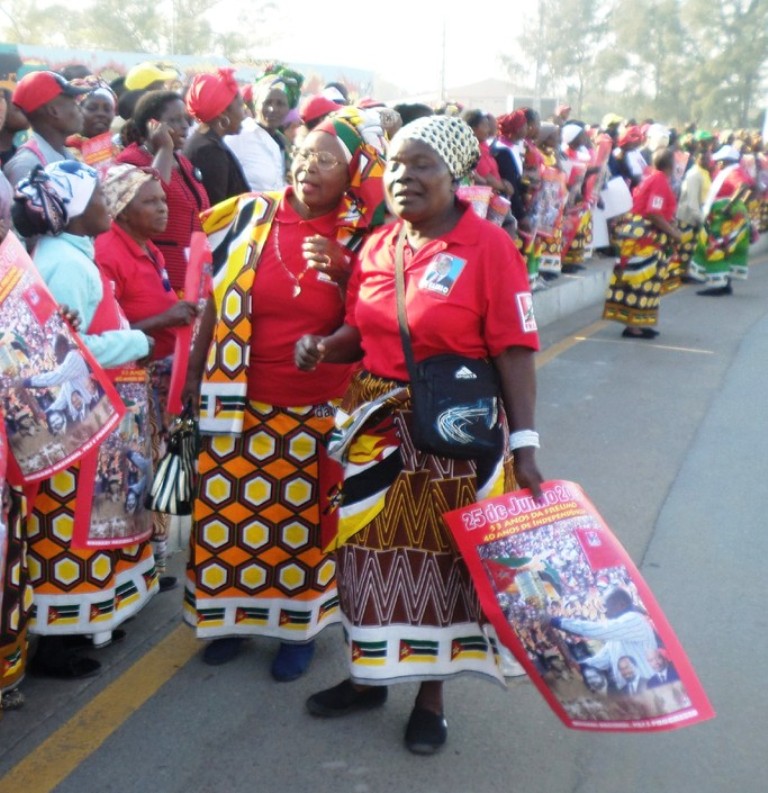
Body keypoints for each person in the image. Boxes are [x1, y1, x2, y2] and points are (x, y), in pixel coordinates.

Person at [295, 115, 542, 755]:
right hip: (374, 433)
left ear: (455, 175)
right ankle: (367, 677)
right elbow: (360, 330)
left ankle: (431, 700)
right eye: (396, 166)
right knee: (363, 561)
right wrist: (323, 346)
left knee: (440, 568)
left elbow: (514, 349)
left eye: (421, 164)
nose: (404, 177)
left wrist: (525, 445)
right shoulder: (380, 244)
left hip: (451, 437)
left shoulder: (490, 247)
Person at [181, 107, 387, 677]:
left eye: (327, 160)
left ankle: (297, 629)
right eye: (304, 154)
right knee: (231, 517)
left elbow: (378, 317)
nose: (309, 167)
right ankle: (231, 619)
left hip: (320, 407)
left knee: (301, 526)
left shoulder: (363, 236)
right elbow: (215, 302)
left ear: (352, 173)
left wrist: (346, 272)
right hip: (237, 400)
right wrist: (194, 376)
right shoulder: (249, 214)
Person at [12, 161, 157, 679]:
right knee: (72, 530)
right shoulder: (67, 265)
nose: (107, 204)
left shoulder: (72, 254)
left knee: (91, 526)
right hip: (81, 420)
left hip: (96, 415)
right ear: (74, 211)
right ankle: (57, 644)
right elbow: (67, 349)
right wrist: (137, 340)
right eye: (97, 196)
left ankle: (84, 626)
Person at [95, 163, 199, 578]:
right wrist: (166, 319)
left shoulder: (148, 246)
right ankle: (142, 566)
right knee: (138, 475)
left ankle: (152, 562)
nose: (163, 208)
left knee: (154, 470)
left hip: (160, 377)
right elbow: (105, 332)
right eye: (151, 202)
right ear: (122, 209)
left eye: (162, 200)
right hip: (130, 381)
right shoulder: (108, 252)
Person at [116, 90, 211, 291]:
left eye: (185, 119)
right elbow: (154, 193)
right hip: (159, 273)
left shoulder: (182, 161)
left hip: (193, 271)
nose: (185, 125)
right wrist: (164, 148)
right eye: (175, 120)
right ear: (154, 125)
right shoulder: (131, 162)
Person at [603, 148, 682, 338]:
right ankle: (633, 326)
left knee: (647, 281)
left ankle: (640, 321)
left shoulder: (654, 178)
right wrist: (674, 233)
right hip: (645, 238)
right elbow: (653, 212)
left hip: (644, 235)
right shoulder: (659, 181)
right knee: (641, 280)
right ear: (670, 164)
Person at [546, 587, 658, 685]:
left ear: (621, 604)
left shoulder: (633, 619)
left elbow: (599, 630)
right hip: (635, 689)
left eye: (608, 606)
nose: (605, 612)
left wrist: (558, 622)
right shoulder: (619, 631)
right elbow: (604, 659)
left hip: (650, 685)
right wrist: (581, 665)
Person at [4, 71, 89, 187]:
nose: (79, 109)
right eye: (73, 104)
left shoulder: (66, 155)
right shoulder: (27, 166)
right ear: (54, 111)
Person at [690, 144, 755, 296]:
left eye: (720, 161)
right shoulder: (733, 171)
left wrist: (729, 205)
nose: (718, 163)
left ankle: (718, 285)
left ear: (726, 161)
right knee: (725, 248)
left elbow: (744, 186)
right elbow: (751, 187)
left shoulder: (733, 172)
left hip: (726, 216)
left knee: (717, 247)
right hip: (728, 214)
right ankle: (725, 283)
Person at [182, 68, 249, 206]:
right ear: (223, 113)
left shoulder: (202, 141)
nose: (245, 114)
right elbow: (216, 211)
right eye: (240, 106)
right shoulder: (209, 152)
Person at [225, 73, 298, 192]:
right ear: (256, 104)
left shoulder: (284, 144)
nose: (273, 109)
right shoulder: (239, 135)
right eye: (267, 102)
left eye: (280, 104)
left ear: (288, 109)